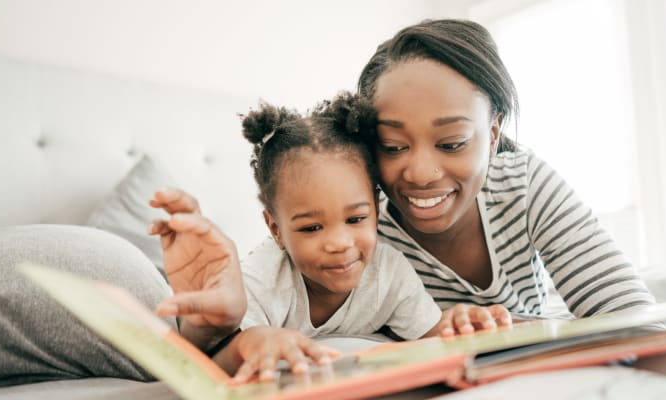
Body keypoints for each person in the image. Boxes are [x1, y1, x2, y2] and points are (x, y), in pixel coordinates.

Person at [150, 91, 511, 382]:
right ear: (276, 229)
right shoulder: (263, 279)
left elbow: (432, 338)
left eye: (356, 218)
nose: (339, 243)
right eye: (311, 227)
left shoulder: (389, 271)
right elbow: (216, 359)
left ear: (376, 208)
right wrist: (253, 341)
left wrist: (456, 324)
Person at [354, 18, 656, 319]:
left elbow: (632, 315)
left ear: (493, 135)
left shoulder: (523, 186)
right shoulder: (358, 223)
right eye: (391, 146)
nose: (420, 173)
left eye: (451, 143)